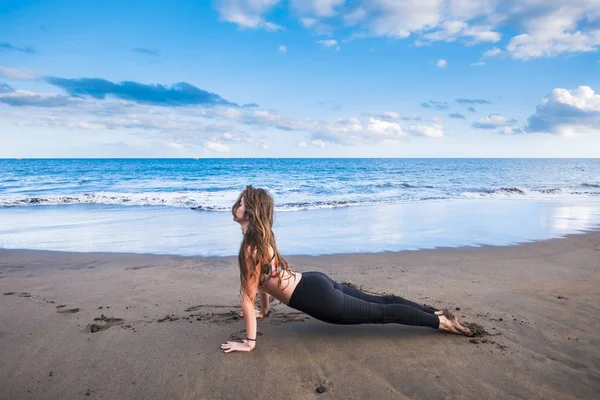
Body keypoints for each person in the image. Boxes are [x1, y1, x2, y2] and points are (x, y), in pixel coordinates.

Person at [221, 186, 472, 353]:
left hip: (318, 297)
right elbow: (265, 282)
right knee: (384, 301)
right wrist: (264, 311)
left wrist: (249, 343)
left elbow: (247, 297)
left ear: (251, 212)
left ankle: (440, 322)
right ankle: (435, 313)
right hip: (313, 281)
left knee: (382, 312)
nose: (236, 206)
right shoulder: (263, 237)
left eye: (240, 203)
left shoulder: (250, 249)